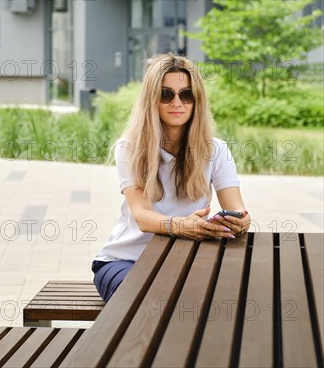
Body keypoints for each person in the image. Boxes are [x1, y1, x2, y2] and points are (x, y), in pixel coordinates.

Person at [92, 53, 250, 302]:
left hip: (186, 257)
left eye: (186, 94)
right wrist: (180, 225)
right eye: (166, 94)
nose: (177, 102)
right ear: (152, 99)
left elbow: (238, 210)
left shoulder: (215, 150)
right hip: (126, 260)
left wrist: (239, 222)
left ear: (197, 101)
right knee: (148, 303)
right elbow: (143, 217)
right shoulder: (129, 148)